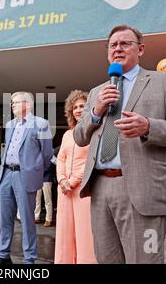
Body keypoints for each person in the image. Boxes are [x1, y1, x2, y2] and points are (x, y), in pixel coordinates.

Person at [73, 25, 166, 263]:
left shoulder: (165, 82)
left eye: (125, 43)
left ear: (140, 49)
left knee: (145, 259)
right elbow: (80, 137)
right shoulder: (96, 92)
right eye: (113, 45)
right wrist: (97, 111)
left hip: (143, 190)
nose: (117, 48)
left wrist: (149, 126)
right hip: (100, 188)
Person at [0, 91, 53, 264]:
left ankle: (29, 260)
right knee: (5, 218)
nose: (12, 105)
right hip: (6, 174)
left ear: (27, 104)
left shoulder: (41, 124)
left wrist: (33, 169)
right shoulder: (10, 124)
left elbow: (47, 154)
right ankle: (3, 255)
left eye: (15, 102)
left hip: (24, 176)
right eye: (12, 102)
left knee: (27, 221)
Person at [55, 90, 97, 264]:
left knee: (84, 232)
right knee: (65, 232)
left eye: (82, 106)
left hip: (83, 189)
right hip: (64, 190)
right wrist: (62, 180)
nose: (78, 110)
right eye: (75, 108)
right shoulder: (66, 134)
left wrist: (71, 182)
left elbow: (90, 161)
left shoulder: (94, 132)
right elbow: (61, 159)